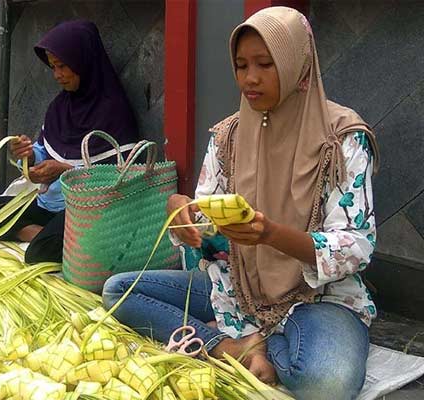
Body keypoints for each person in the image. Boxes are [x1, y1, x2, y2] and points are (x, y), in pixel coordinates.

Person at [102, 7, 379, 400]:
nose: (250, 78)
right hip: (239, 288)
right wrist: (183, 215)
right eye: (241, 65)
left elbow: (357, 245)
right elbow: (211, 231)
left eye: (266, 64)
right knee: (118, 291)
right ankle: (232, 346)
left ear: (297, 64)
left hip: (318, 299)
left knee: (326, 382)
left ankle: (263, 342)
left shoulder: (342, 139)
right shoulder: (227, 137)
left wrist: (271, 235)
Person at [0, 20, 138, 263]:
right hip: (48, 205)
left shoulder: (113, 111)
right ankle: (41, 235)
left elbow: (121, 179)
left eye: (63, 66)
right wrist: (29, 156)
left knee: (38, 254)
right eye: (53, 67)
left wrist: (65, 171)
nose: (57, 75)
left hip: (83, 213)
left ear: (83, 61)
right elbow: (45, 151)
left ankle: (41, 238)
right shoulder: (59, 107)